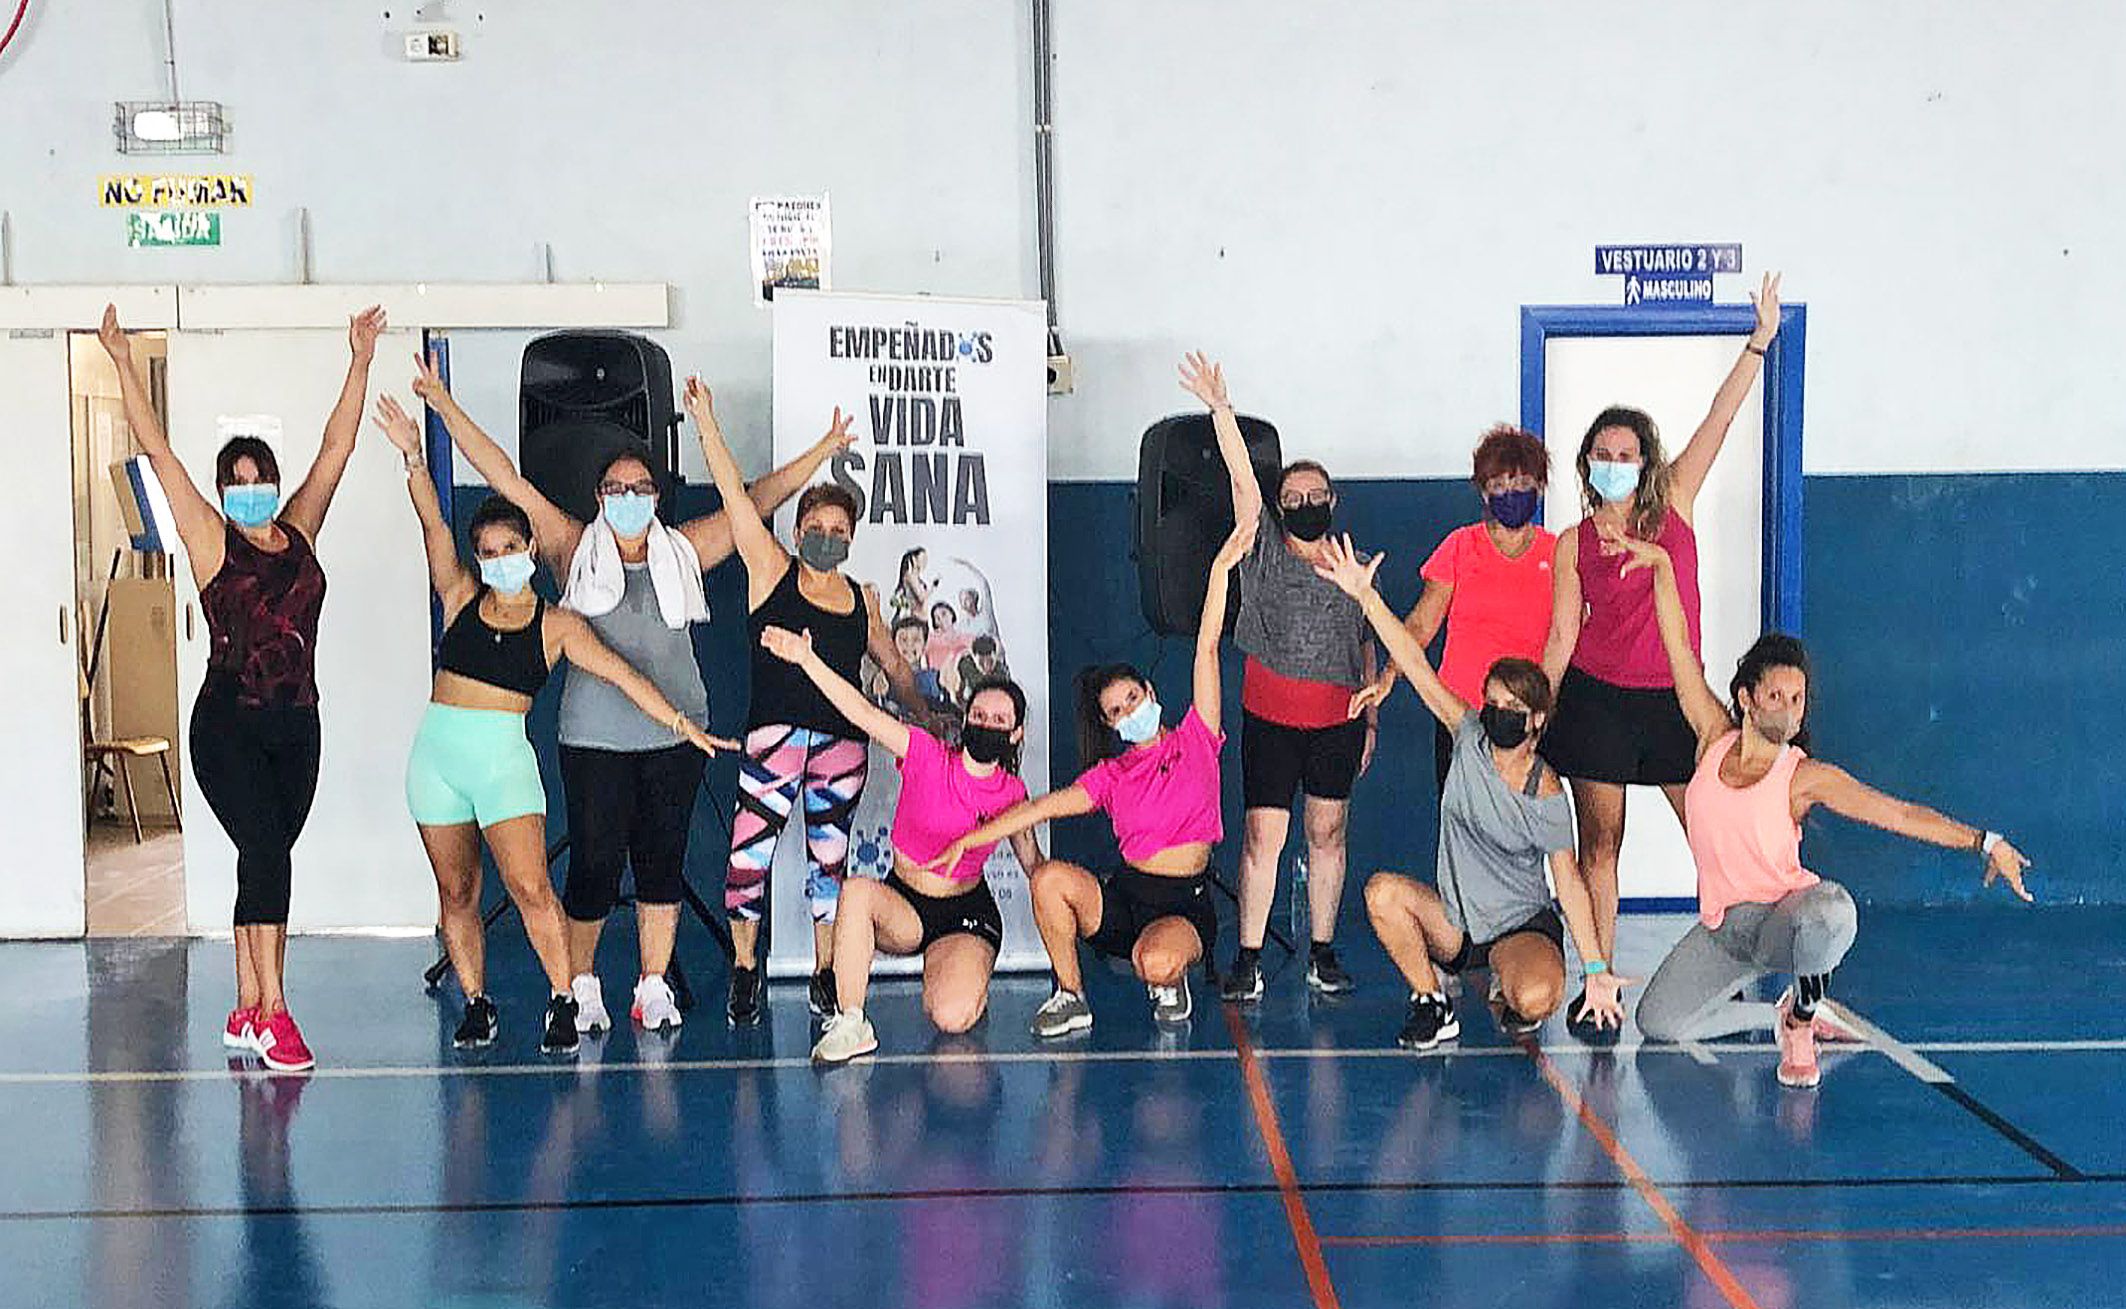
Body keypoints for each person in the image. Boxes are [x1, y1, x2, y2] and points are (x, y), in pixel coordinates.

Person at [414, 353, 851, 1036]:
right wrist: (442, 403)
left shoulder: (685, 546)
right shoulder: (567, 546)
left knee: (661, 863)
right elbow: (502, 471)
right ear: (598, 498)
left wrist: (822, 451)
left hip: (680, 733)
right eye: (615, 487)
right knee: (591, 865)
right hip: (594, 735)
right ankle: (583, 987)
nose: (628, 496)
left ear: (656, 493)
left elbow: (757, 498)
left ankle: (652, 986)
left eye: (640, 486)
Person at [1606, 523, 2032, 1087]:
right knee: (1658, 1022)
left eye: (1798, 698)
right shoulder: (1712, 738)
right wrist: (1662, 566)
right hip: (1724, 931)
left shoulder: (1804, 777)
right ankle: (1781, 1011)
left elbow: (1898, 813)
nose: (1789, 709)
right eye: (1777, 697)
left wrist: (1987, 841)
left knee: (1830, 914)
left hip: (1789, 920)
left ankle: (1803, 1020)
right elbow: (1678, 648)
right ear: (1747, 699)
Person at [372, 395, 732, 1055]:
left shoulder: (557, 621)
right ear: (476, 558)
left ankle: (565, 997)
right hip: (436, 761)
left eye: (511, 546)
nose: (499, 557)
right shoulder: (459, 598)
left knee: (532, 887)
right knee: (456, 892)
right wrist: (414, 456)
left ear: (532, 549)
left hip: (502, 762)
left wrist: (683, 721)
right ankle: (476, 1001)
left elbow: (626, 675)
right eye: (487, 550)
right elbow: (431, 525)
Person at [97, 303, 386, 1073]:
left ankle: (243, 1002)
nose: (249, 491)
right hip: (228, 722)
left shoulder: (299, 530)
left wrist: (358, 359)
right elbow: (157, 452)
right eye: (238, 482)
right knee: (265, 851)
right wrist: (124, 363)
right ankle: (275, 1011)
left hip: (299, 723)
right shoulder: (207, 538)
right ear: (224, 490)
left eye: (260, 479)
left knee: (267, 855)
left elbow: (338, 447)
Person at [1537, 272, 1783, 1040]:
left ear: (1646, 461)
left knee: (1713, 834)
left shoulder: (1674, 500)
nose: (1616, 461)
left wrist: (1757, 344)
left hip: (1674, 700)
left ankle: (1742, 965)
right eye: (1603, 452)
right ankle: (1599, 985)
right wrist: (1532, 714)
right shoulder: (1573, 541)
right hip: (1597, 700)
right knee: (1599, 844)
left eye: (1627, 451)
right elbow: (1561, 635)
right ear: (1588, 463)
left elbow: (1719, 417)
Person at [923, 519, 1253, 1033]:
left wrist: (1220, 569)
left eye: (1132, 700)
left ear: (1150, 693)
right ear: (1110, 723)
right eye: (1116, 710)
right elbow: (1036, 809)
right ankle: (1070, 994)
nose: (1128, 711)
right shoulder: (1113, 774)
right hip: (1123, 897)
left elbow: (1207, 645)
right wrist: (969, 840)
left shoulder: (1197, 737)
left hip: (1182, 902)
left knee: (1155, 961)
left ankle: (1170, 977)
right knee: (1050, 878)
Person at [685, 377, 931, 1024]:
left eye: (837, 527)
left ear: (852, 536)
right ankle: (745, 966)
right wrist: (708, 422)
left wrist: (931, 717)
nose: (826, 534)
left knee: (831, 861)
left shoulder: (861, 599)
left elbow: (896, 668)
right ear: (797, 531)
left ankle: (826, 969)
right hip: (774, 741)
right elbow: (736, 500)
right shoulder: (770, 568)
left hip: (844, 750)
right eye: (815, 525)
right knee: (747, 859)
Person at [1313, 536, 1617, 1050]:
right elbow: (1414, 661)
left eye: (1512, 707)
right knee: (1382, 894)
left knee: (1538, 997)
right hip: (1456, 925)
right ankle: (1432, 1001)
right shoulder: (1468, 736)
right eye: (1492, 702)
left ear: (1536, 720)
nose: (1498, 713)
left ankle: (1512, 983)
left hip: (1520, 924)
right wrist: (1367, 597)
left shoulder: (1544, 789)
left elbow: (1568, 882)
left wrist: (1595, 967)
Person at [1178, 352, 1376, 1002]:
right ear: (1279, 505)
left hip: (1336, 727)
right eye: (1293, 497)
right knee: (1264, 835)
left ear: (1334, 500)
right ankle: (1249, 957)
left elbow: (1365, 643)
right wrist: (1221, 409)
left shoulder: (1352, 564)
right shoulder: (1260, 546)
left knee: (1327, 833)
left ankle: (1322, 951)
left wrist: (1370, 717)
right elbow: (1241, 478)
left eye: (1317, 496)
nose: (1306, 504)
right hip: (1271, 722)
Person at [757, 625, 1041, 1064]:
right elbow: (862, 714)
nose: (986, 724)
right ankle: (851, 1021)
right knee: (855, 890)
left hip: (965, 914)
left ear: (1016, 734)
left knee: (952, 1017)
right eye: (980, 715)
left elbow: (1036, 868)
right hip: (905, 907)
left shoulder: (1013, 795)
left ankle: (959, 974)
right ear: (966, 719)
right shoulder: (924, 752)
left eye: (999, 721)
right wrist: (806, 659)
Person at [1350, 425, 1556, 798]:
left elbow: (1570, 633)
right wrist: (1388, 676)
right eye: (1498, 485)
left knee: (1525, 825)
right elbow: (1422, 623)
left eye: (1522, 482)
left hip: (1530, 716)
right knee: (1462, 823)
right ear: (1483, 492)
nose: (1511, 493)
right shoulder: (1461, 546)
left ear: (1540, 486)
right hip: (1461, 712)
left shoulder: (1558, 553)